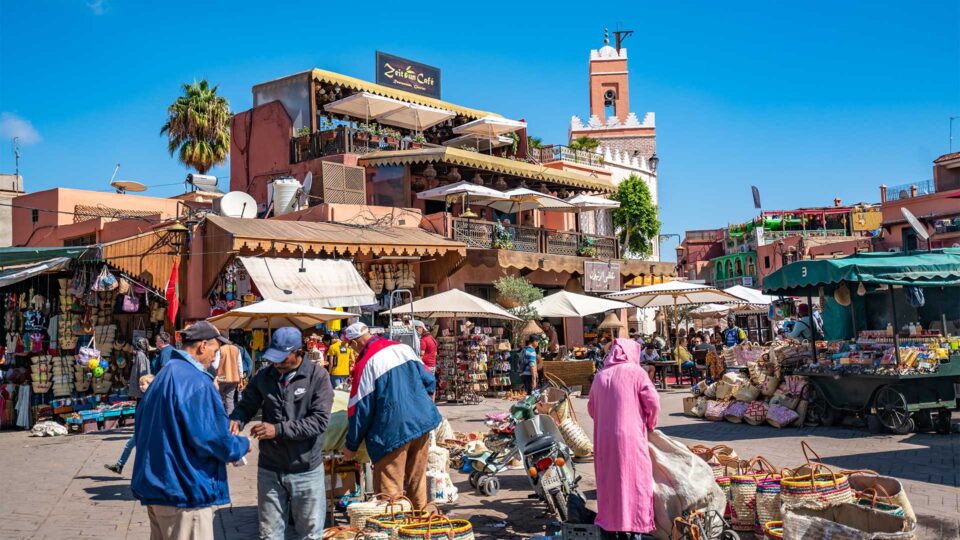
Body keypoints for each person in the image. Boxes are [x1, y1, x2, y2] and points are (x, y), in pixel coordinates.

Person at [131, 321, 250, 540]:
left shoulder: (165, 375)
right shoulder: (195, 381)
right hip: (183, 491)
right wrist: (242, 445)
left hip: (160, 487)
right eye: (215, 350)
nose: (216, 356)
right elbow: (211, 438)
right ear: (202, 346)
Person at [230, 327, 334, 540]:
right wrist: (236, 419)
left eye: (282, 358)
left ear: (299, 352)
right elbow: (247, 404)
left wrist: (277, 430)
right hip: (270, 467)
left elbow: (319, 422)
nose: (277, 363)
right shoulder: (264, 376)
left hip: (306, 468)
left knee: (310, 534)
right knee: (269, 533)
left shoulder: (318, 376)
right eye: (273, 358)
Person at [342, 322, 440, 510]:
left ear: (355, 343)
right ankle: (420, 527)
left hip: (391, 432)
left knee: (390, 495)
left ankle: (394, 531)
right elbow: (429, 381)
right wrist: (423, 408)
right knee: (417, 482)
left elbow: (360, 410)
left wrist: (351, 445)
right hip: (421, 424)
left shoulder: (366, 363)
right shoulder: (403, 349)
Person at [588, 338, 661, 538]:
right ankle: (634, 528)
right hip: (631, 438)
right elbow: (653, 402)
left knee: (610, 482)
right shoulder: (637, 372)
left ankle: (612, 527)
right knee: (634, 482)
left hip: (604, 440)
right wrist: (651, 423)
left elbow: (592, 409)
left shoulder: (600, 376)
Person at [105, 373, 154, 475]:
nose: (140, 386)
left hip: (145, 430)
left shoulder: (151, 398)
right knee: (130, 446)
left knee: (144, 452)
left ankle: (146, 472)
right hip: (141, 428)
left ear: (150, 384)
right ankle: (120, 465)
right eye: (140, 384)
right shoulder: (145, 396)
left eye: (143, 384)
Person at [215, 333, 244, 416]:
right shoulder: (236, 349)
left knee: (219, 398)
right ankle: (230, 419)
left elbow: (215, 365)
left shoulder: (220, 349)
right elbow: (240, 365)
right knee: (229, 399)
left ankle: (220, 418)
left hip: (221, 378)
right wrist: (241, 379)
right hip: (234, 378)